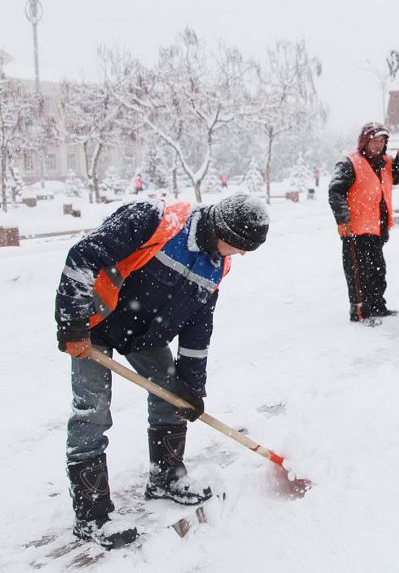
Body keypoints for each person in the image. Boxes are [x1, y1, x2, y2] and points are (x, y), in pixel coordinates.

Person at [55, 194, 269, 549]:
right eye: (241, 246)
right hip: (94, 321)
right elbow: (83, 255)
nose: (241, 254)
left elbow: (199, 325)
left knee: (173, 395)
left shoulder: (218, 264)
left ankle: (166, 477)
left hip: (144, 333)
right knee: (92, 413)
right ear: (223, 228)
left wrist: (192, 386)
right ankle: (91, 515)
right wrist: (72, 322)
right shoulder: (158, 219)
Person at [328, 122, 399, 321]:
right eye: (375, 140)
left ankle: (376, 305)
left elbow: (396, 178)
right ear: (365, 141)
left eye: (382, 141)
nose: (378, 145)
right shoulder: (349, 162)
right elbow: (335, 191)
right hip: (354, 228)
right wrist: (342, 220)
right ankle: (359, 310)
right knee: (358, 272)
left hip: (377, 226)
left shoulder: (385, 162)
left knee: (377, 269)